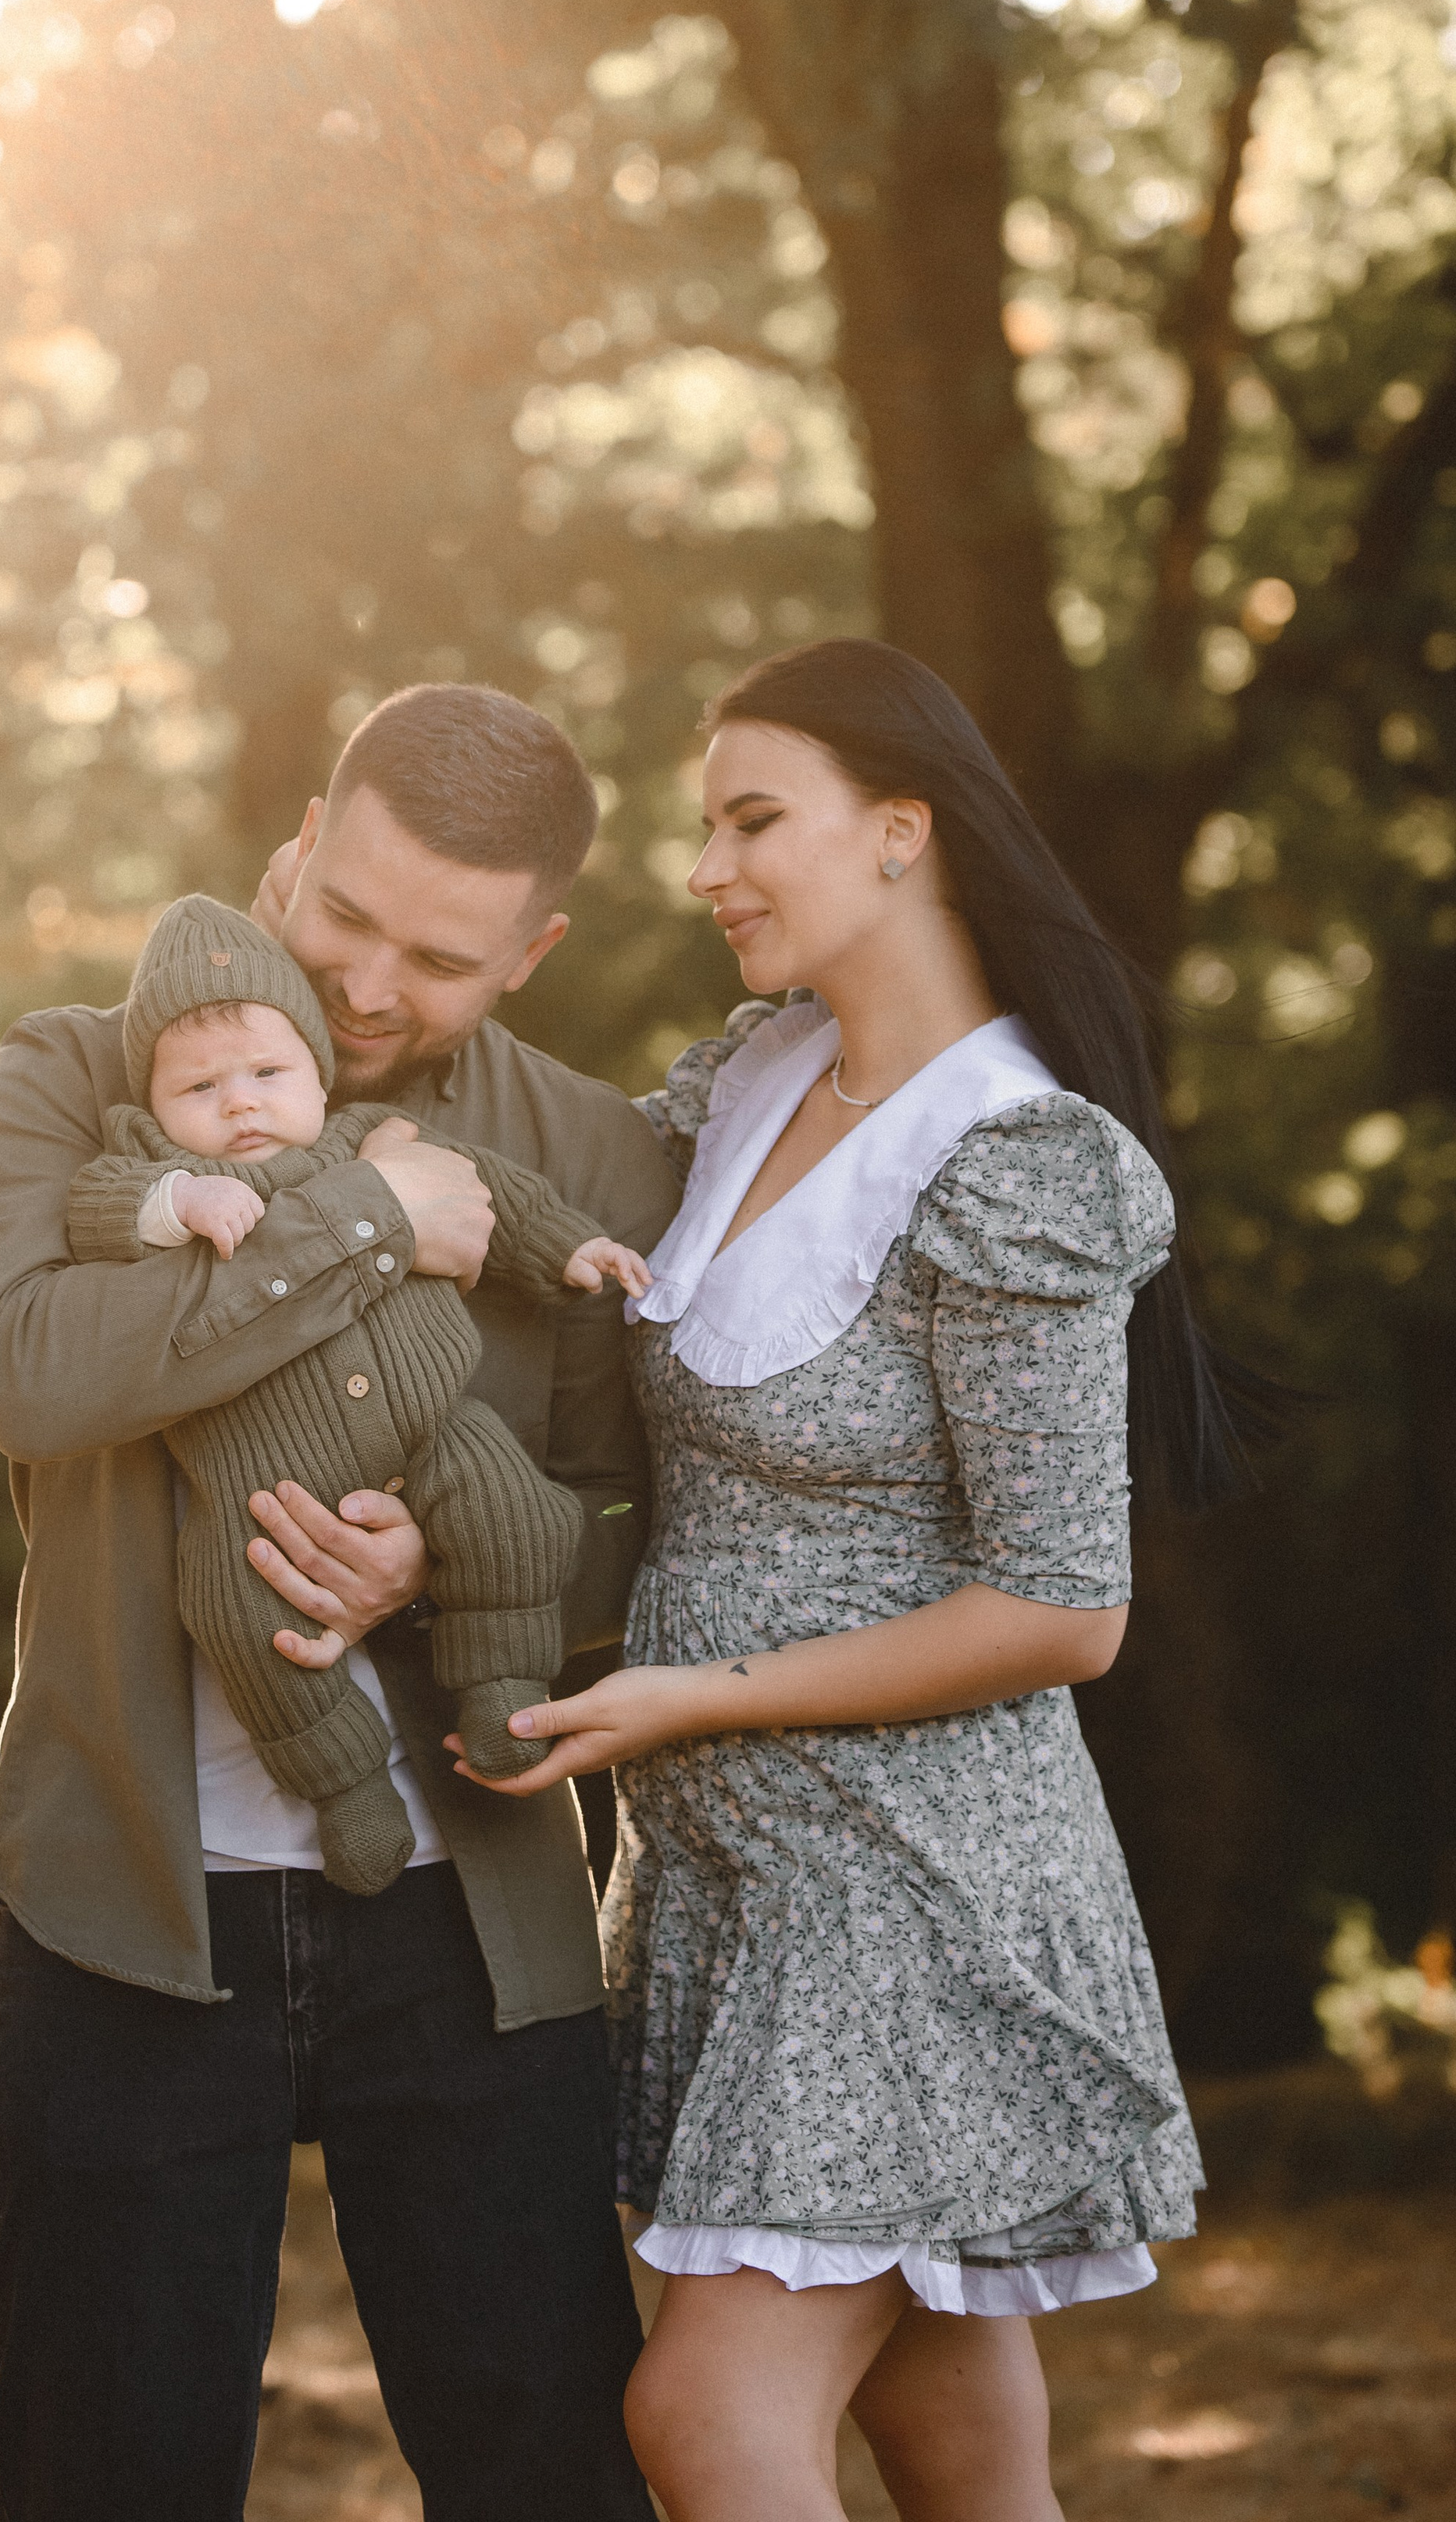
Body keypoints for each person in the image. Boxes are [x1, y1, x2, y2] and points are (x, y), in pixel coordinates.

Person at [452, 641, 1243, 2522]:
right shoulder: (754, 1073)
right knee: (953, 2446)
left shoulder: (1011, 1156)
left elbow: (1062, 1607)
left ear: (900, 829)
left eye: (752, 819)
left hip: (909, 1891)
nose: (705, 867)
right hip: (734, 1881)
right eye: (703, 826)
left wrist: (694, 1694)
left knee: (706, 2418)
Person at [0, 683, 677, 2522]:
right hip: (124, 1906)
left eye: (436, 958)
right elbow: (32, 1371)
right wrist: (369, 1220)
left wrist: (450, 1565)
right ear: (297, 841)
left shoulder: (585, 1152)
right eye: (342, 911)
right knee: (107, 2476)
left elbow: (650, 1523)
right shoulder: (70, 1077)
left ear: (530, 952)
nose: (361, 984)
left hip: (470, 1920)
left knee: (544, 2472)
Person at [60, 888, 651, 1892]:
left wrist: (566, 1244)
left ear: (315, 1072)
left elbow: (491, 1192)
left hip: (431, 1430)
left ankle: (501, 1688)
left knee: (513, 1515)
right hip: (259, 1490)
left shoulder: (370, 1136)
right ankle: (345, 1789)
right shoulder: (154, 1168)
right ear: (151, 1107)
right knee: (241, 1617)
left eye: (267, 1073)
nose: (240, 1102)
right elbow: (96, 1210)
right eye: (199, 1086)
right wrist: (179, 1199)